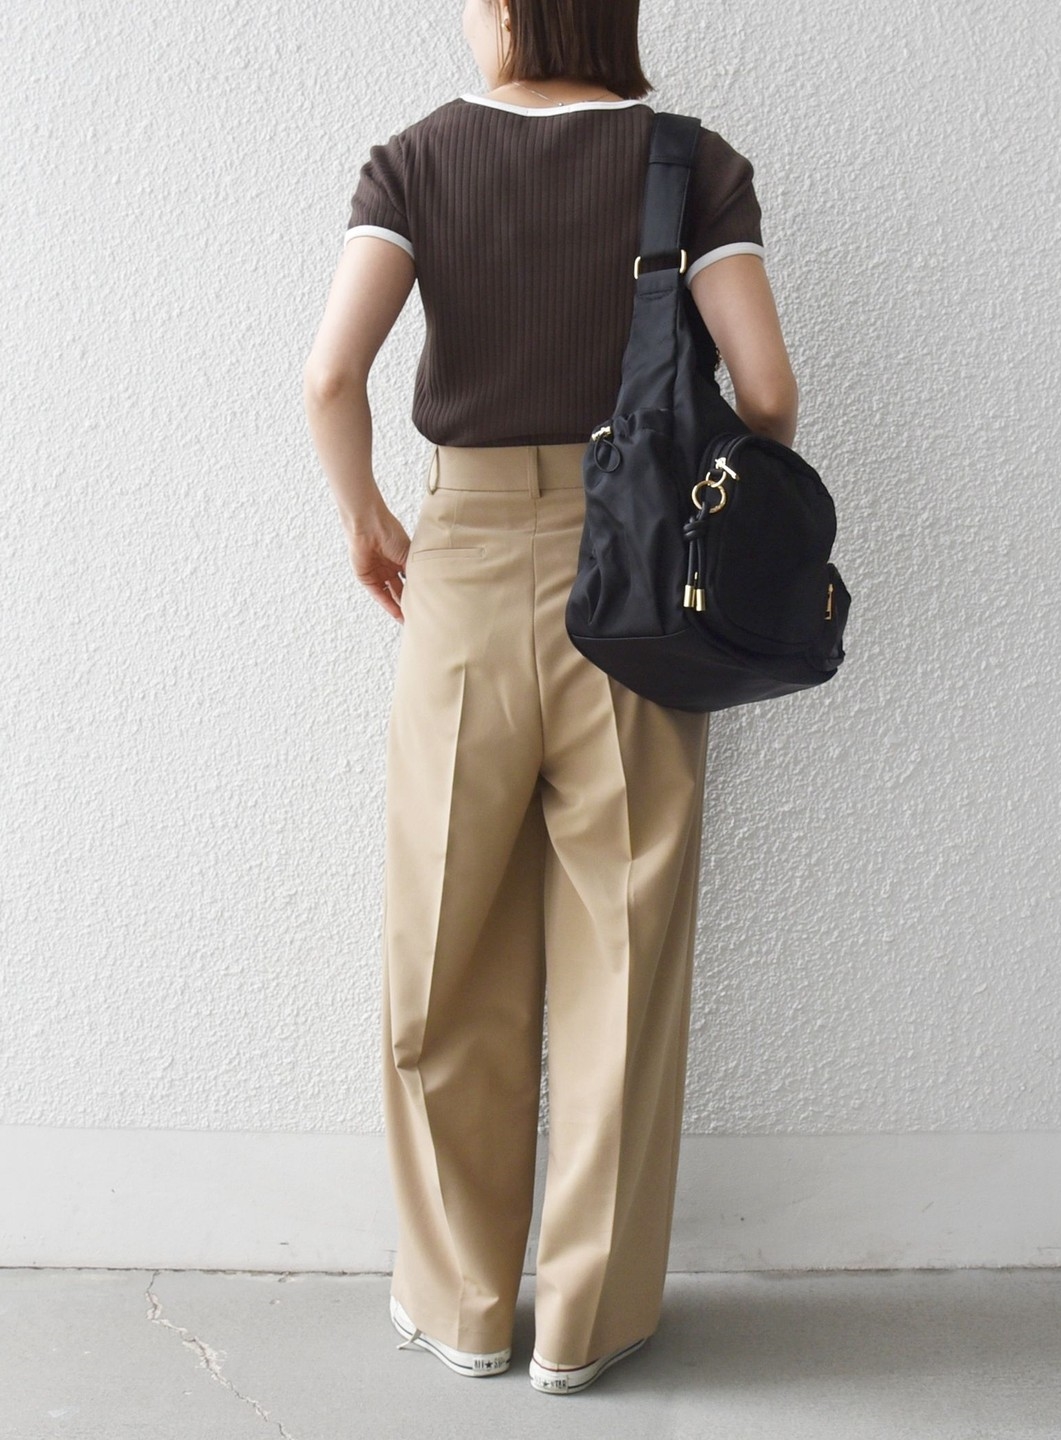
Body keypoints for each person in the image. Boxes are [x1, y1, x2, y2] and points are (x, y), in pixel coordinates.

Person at [303, 0, 799, 1397]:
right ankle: (587, 1322)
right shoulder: (689, 164)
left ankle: (462, 1303)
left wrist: (368, 521)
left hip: (460, 573)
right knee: (621, 957)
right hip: (637, 582)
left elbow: (330, 377)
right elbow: (769, 393)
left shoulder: (416, 161)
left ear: (512, 7)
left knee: (442, 945)